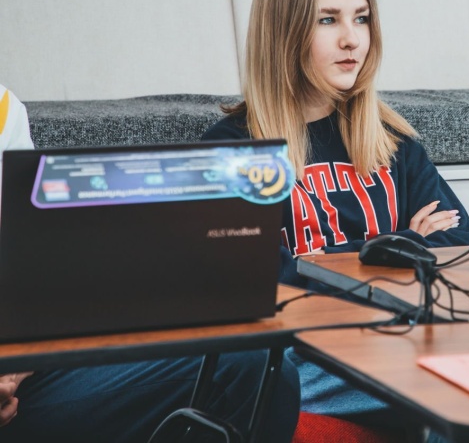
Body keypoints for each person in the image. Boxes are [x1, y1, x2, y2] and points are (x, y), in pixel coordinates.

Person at [202, 0, 469, 424]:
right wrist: (402, 244)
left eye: (361, 18)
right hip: (299, 358)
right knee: (454, 379)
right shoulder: (234, 151)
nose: (352, 39)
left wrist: (325, 264)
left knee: (468, 366)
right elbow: (262, 282)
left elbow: (458, 245)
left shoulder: (392, 140)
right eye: (328, 20)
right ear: (284, 33)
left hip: (394, 337)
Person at [0, 83, 301, 442]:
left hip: (27, 367)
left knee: (257, 363)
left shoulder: (4, 106)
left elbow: (31, 265)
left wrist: (19, 364)